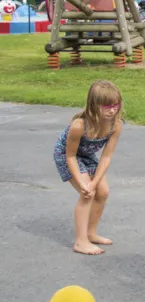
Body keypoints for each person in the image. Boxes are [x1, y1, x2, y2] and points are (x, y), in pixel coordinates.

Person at [53, 80, 124, 255]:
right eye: (107, 106)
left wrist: (95, 182)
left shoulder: (116, 125)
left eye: (115, 105)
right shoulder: (79, 125)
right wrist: (84, 184)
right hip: (66, 155)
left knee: (103, 191)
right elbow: (70, 156)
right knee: (87, 194)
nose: (112, 110)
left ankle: (90, 233)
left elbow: (106, 157)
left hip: (86, 155)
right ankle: (80, 241)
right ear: (93, 105)